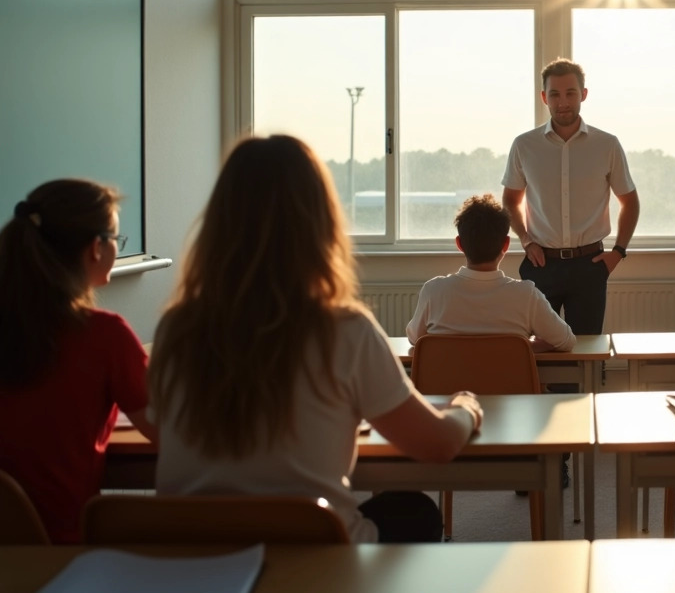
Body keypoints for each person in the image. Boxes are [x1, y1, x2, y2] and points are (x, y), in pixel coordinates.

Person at [150, 135, 483, 544]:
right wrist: (465, 408)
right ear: (320, 223)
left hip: (189, 557)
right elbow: (437, 445)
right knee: (415, 512)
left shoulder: (175, 328)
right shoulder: (345, 330)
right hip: (310, 552)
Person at [0, 179, 155, 543]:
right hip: (61, 555)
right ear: (95, 249)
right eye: (116, 240)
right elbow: (169, 433)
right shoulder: (104, 336)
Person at [502, 57, 640, 335]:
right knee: (540, 352)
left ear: (583, 95)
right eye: (554, 94)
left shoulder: (607, 144)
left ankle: (585, 381)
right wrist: (527, 242)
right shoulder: (524, 145)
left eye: (570, 93)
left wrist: (618, 253)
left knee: (587, 351)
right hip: (541, 264)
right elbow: (509, 201)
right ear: (544, 97)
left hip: (589, 266)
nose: (563, 101)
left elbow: (630, 202)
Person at [407, 194, 575, 352]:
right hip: (509, 383)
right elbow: (566, 341)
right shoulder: (526, 295)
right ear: (506, 245)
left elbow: (415, 338)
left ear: (459, 244)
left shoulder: (434, 291)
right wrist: (527, 347)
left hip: (448, 384)